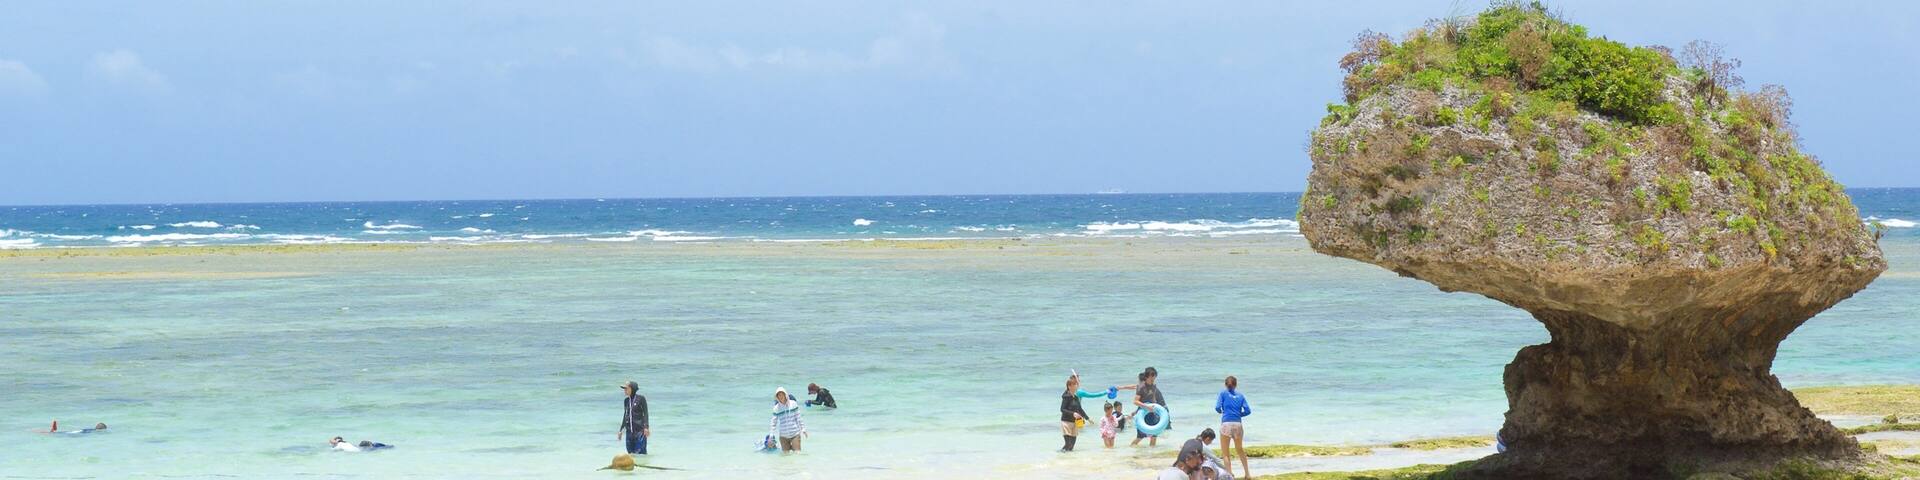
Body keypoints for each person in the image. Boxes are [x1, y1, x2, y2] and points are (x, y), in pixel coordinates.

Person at [1214, 375, 1252, 479]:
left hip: (1226, 424)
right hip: (1237, 425)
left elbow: (1217, 407)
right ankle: (1247, 474)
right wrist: (1239, 415)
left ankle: (1230, 475)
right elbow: (1248, 411)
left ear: (1225, 384)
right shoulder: (1241, 396)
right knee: (1240, 450)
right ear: (1236, 385)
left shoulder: (1223, 393)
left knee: (1225, 453)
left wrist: (1221, 411)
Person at [1131, 367, 1167, 447]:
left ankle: (1151, 452)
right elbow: (1135, 401)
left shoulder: (1154, 386)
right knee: (1140, 437)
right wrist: (1146, 407)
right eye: (1152, 378)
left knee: (1154, 436)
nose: (1153, 379)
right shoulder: (1141, 387)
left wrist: (1159, 409)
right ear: (1147, 377)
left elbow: (1153, 399)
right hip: (1143, 413)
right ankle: (1130, 449)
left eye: (1154, 377)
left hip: (1152, 412)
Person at [770, 387, 807, 452]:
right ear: (777, 397)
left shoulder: (793, 404)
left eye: (782, 395)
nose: (781, 397)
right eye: (779, 395)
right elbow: (773, 423)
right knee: (786, 455)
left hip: (795, 434)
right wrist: (771, 435)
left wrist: (803, 429)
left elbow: (799, 418)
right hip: (783, 436)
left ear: (785, 395)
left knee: (797, 453)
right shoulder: (776, 408)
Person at [618, 380, 650, 455]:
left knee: (640, 454)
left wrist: (646, 427)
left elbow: (645, 413)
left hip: (640, 432)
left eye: (626, 388)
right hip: (629, 433)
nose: (624, 390)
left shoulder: (641, 399)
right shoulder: (626, 401)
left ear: (631, 389)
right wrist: (621, 430)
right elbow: (625, 415)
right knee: (631, 454)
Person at [1059, 375, 1090, 452]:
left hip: (1075, 422)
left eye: (1076, 384)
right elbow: (1062, 409)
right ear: (1069, 386)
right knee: (1068, 444)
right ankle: (1060, 455)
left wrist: (1087, 418)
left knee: (1072, 446)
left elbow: (1080, 409)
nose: (1077, 386)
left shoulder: (1076, 397)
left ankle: (1068, 458)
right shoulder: (1066, 397)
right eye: (1075, 384)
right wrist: (1073, 413)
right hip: (1066, 422)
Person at [44, 421, 108, 434]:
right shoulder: (95, 431)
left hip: (81, 431)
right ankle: (53, 431)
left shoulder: (92, 429)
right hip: (81, 432)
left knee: (66, 432)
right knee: (66, 433)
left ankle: (53, 431)